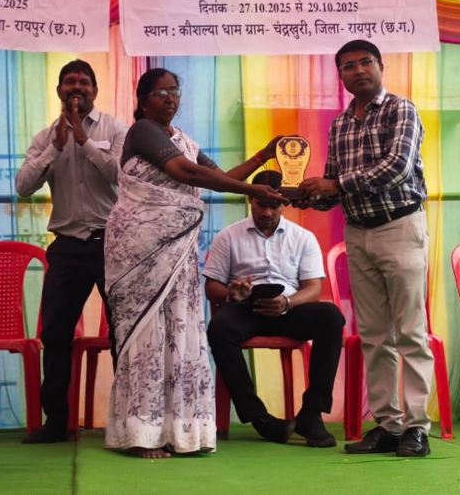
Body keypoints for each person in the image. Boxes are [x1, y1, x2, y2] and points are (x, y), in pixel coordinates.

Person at [104, 68, 288, 459]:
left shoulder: (181, 140)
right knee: (147, 334)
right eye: (160, 92)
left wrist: (262, 158)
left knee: (180, 330)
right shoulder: (142, 132)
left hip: (178, 250)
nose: (170, 98)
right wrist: (251, 187)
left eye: (175, 91)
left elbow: (216, 177)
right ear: (142, 101)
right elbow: (187, 173)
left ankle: (180, 430)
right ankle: (141, 434)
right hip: (142, 250)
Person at [298, 39, 433, 458]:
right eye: (348, 66)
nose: (358, 71)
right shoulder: (339, 124)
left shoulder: (401, 109)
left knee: (410, 331)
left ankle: (417, 428)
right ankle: (388, 426)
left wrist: (334, 185)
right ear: (339, 75)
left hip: (399, 226)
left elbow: (397, 168)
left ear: (380, 66)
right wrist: (307, 195)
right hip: (358, 233)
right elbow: (332, 183)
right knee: (374, 334)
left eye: (365, 63)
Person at [15, 60, 128, 444]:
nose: (76, 87)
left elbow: (121, 175)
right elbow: (23, 187)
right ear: (60, 90)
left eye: (83, 82)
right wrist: (56, 147)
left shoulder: (115, 129)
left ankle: (128, 420)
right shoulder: (46, 136)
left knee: (123, 333)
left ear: (94, 90)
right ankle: (56, 422)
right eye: (69, 82)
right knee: (57, 334)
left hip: (111, 244)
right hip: (66, 248)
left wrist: (83, 140)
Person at [203, 170, 345, 448]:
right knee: (219, 327)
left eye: (274, 204)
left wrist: (288, 303)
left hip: (289, 309)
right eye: (260, 203)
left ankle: (312, 414)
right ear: (250, 200)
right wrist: (232, 292)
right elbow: (212, 288)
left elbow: (313, 289)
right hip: (246, 309)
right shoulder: (228, 237)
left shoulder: (303, 237)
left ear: (285, 203)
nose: (267, 211)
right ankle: (259, 418)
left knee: (331, 317)